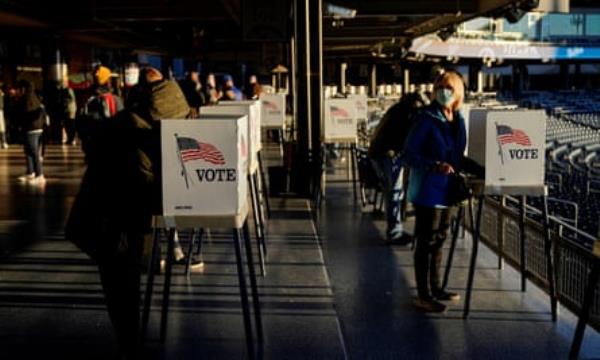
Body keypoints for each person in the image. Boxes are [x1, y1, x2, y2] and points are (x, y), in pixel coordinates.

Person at [67, 66, 194, 359]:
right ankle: (129, 344)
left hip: (111, 214)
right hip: (110, 218)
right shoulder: (141, 133)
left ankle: (129, 339)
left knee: (123, 283)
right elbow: (143, 184)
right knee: (122, 283)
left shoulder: (135, 123)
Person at [402, 70, 482, 313]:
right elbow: (408, 155)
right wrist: (434, 165)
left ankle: (436, 288)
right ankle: (423, 294)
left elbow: (457, 156)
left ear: (457, 92)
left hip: (448, 191)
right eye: (439, 87)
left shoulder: (458, 120)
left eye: (447, 88)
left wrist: (481, 169)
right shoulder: (425, 118)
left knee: (440, 240)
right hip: (428, 189)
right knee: (425, 242)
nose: (442, 92)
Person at [368, 92, 428, 244]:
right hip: (389, 156)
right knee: (395, 193)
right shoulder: (408, 115)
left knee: (391, 193)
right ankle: (394, 233)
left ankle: (395, 230)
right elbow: (407, 140)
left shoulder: (397, 110)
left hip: (379, 154)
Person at [78, 65, 124, 160]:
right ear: (108, 81)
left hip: (92, 146)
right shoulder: (115, 99)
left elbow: (80, 122)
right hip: (112, 145)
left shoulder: (87, 98)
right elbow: (123, 122)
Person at [15, 80, 46, 184]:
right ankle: (30, 172)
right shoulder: (34, 97)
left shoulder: (28, 99)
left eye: (20, 88)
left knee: (33, 152)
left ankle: (39, 175)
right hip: (34, 129)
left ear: (24, 88)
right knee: (28, 151)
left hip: (32, 129)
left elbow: (27, 114)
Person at [59, 77, 78, 145]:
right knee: (67, 124)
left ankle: (72, 139)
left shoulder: (68, 90)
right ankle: (70, 139)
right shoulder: (64, 90)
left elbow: (72, 99)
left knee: (71, 124)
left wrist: (65, 102)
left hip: (70, 109)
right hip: (67, 109)